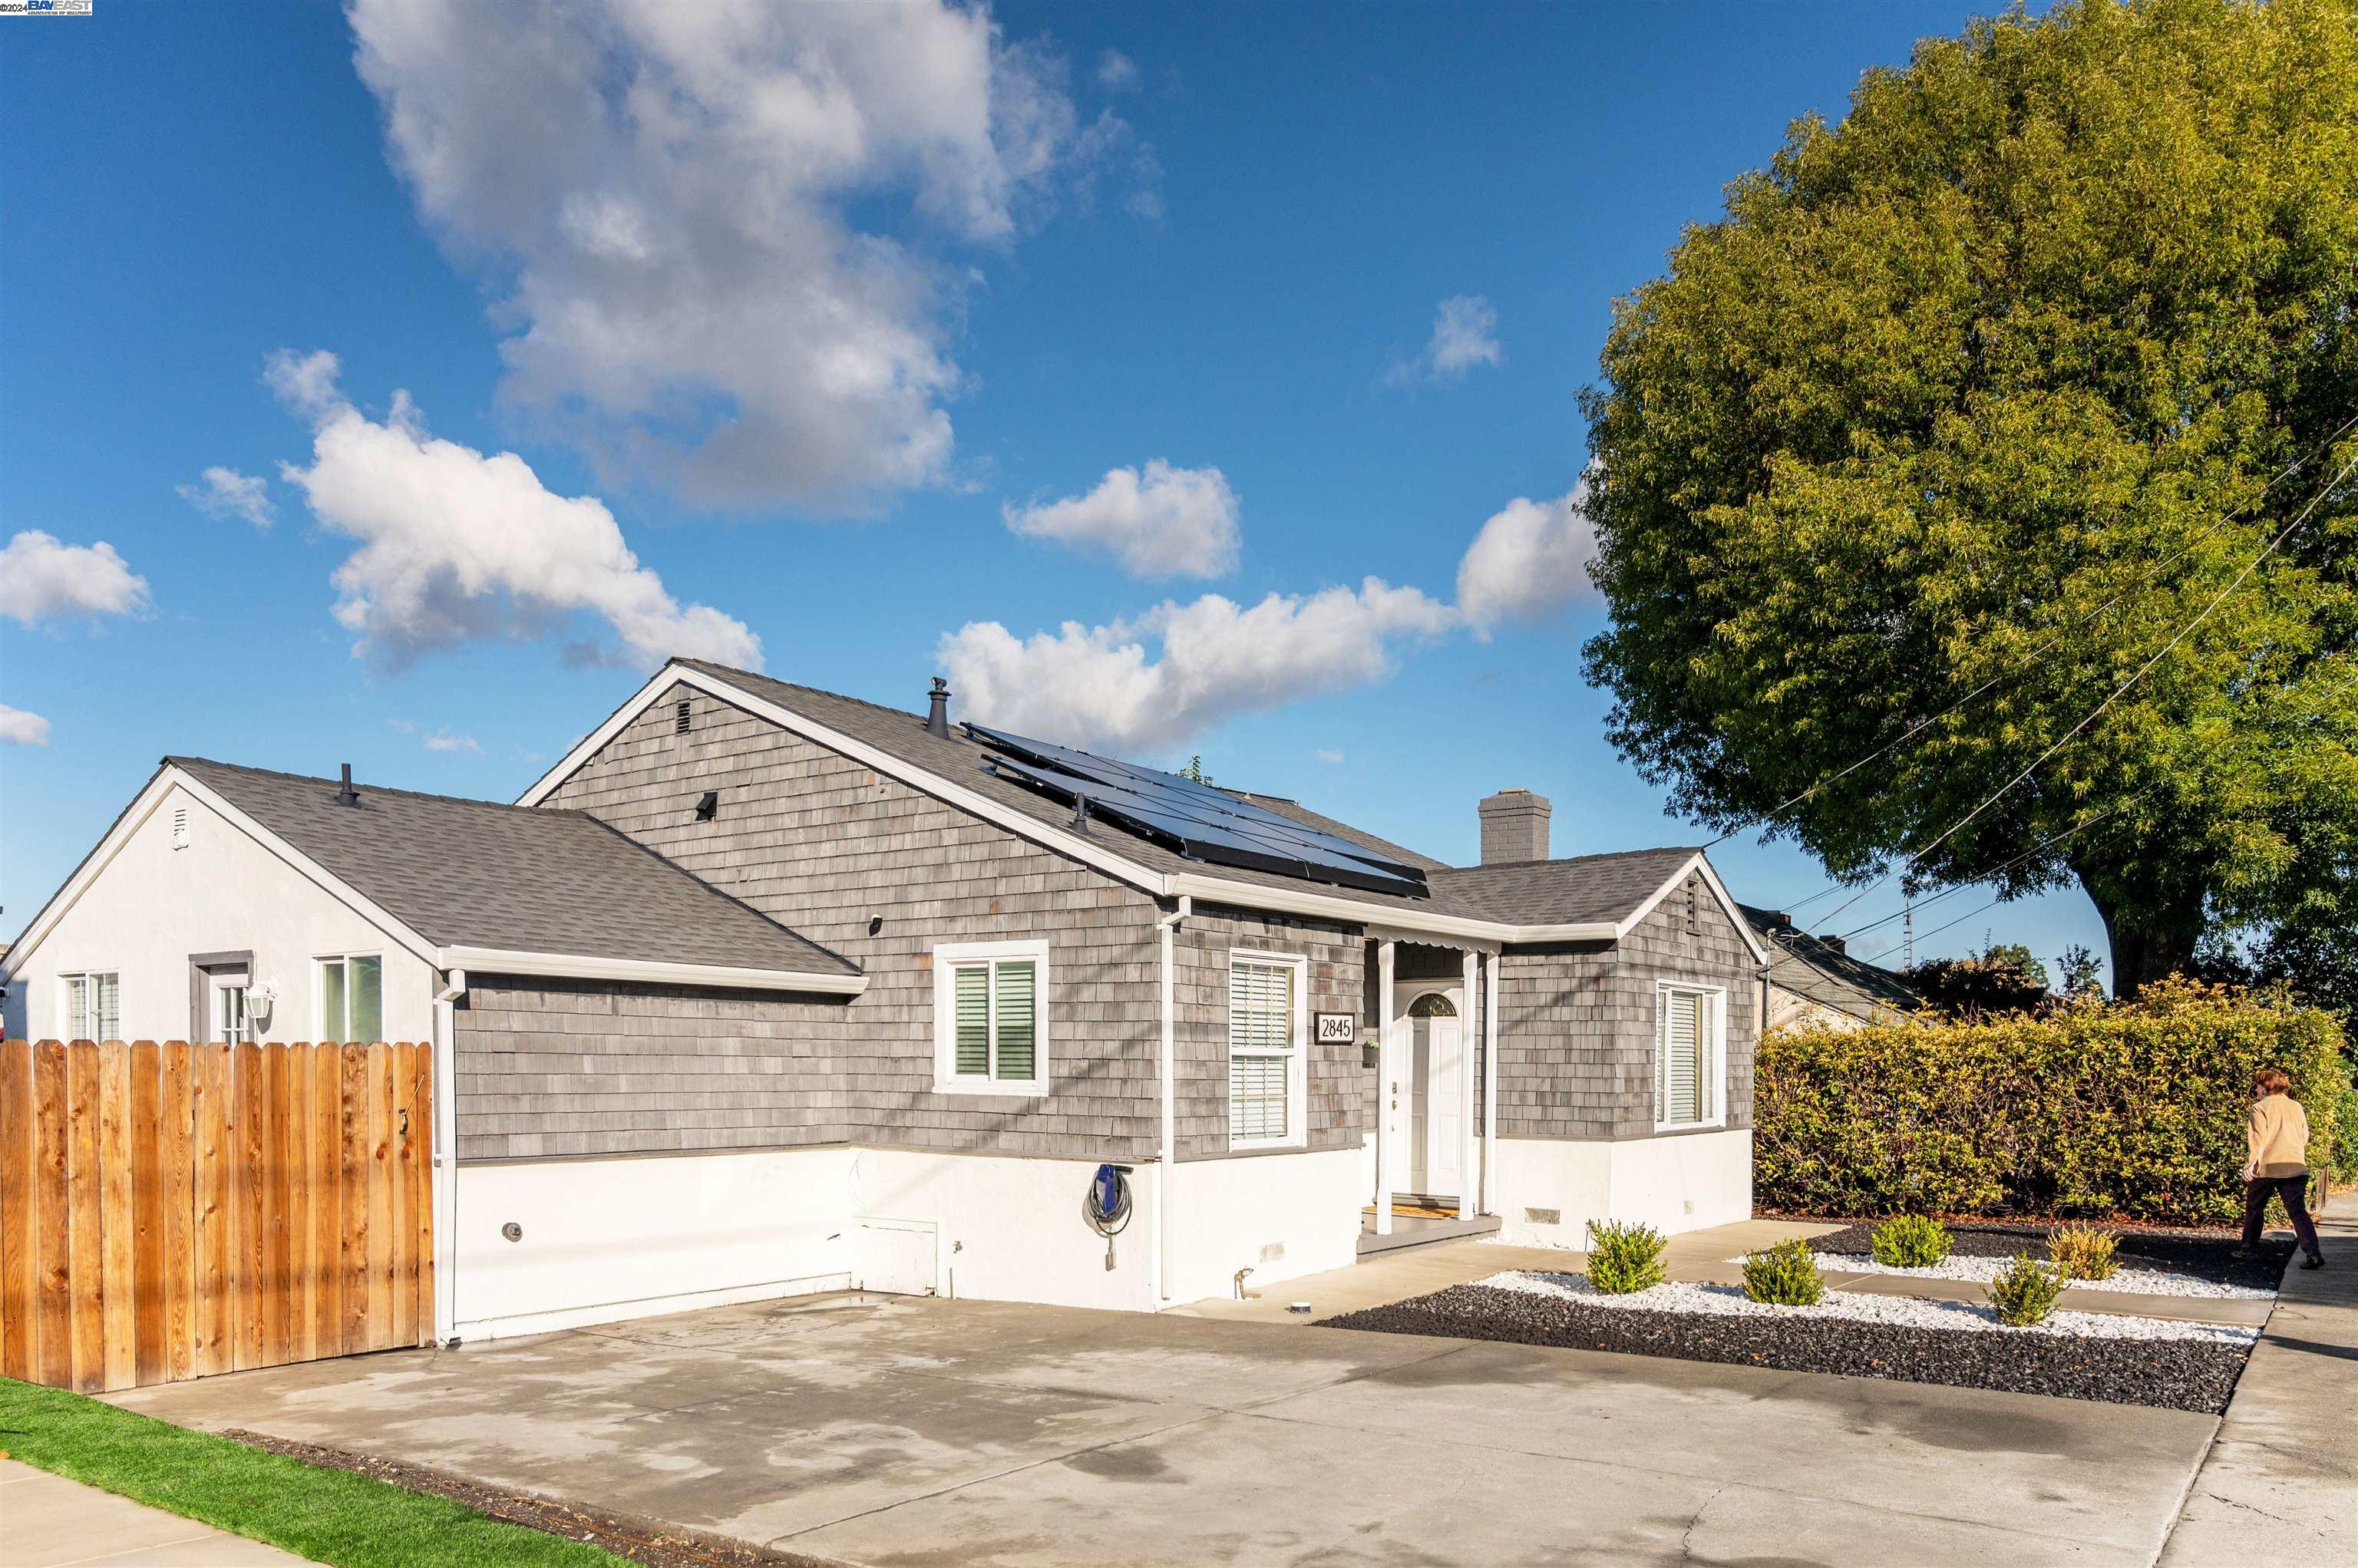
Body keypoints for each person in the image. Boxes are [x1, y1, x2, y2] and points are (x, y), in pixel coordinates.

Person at [2234, 1067, 2325, 1269]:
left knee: (2255, 1207)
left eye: (2257, 1086)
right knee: (2297, 1211)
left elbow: (2258, 1139)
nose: (2256, 1090)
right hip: (2295, 1166)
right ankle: (2313, 1254)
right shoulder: (2296, 1106)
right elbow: (2304, 1137)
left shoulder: (2260, 1108)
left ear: (2266, 1087)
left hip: (2268, 1168)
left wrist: (2250, 1165)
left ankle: (2247, 1249)